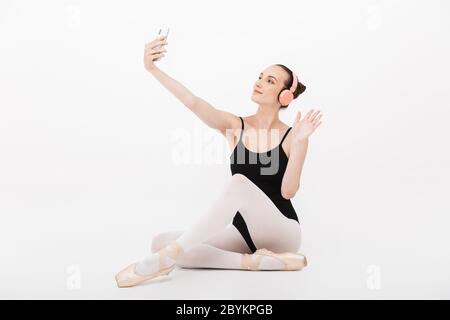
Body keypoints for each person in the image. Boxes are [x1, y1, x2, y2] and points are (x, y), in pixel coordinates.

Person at [115, 34, 323, 287]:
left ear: (285, 97)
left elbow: (288, 191)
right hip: (243, 234)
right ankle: (253, 263)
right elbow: (193, 102)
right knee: (159, 242)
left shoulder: (293, 135)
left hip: (282, 231)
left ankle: (163, 261)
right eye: (260, 76)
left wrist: (300, 143)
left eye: (270, 81)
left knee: (239, 183)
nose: (259, 82)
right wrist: (152, 69)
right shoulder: (236, 126)